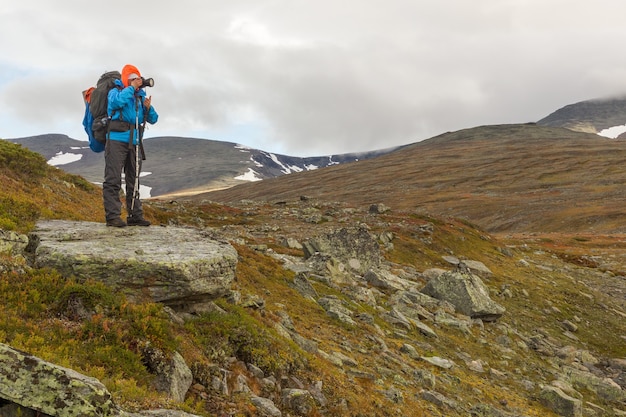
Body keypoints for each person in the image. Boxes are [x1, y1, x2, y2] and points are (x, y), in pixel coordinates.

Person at [103, 64, 158, 227]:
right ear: (126, 80)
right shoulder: (116, 92)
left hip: (134, 142)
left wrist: (149, 108)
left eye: (138, 79)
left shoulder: (140, 98)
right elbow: (116, 103)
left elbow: (153, 119)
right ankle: (112, 216)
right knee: (113, 178)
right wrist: (131, 88)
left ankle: (135, 215)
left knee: (134, 179)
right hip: (116, 139)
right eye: (133, 79)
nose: (137, 82)